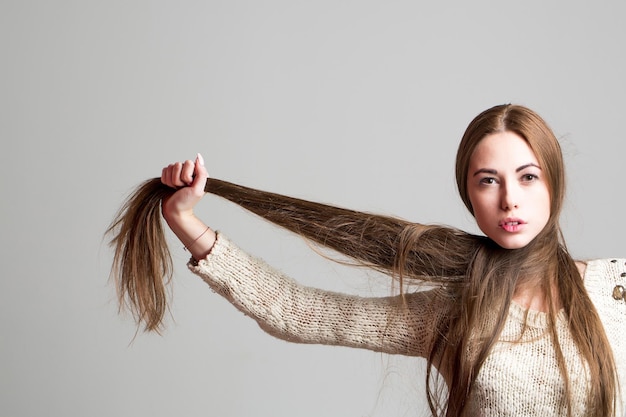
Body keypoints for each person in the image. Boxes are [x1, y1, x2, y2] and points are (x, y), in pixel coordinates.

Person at [110, 104, 625, 416]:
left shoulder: (616, 287)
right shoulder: (452, 314)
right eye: (488, 180)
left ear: (554, 183)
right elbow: (295, 310)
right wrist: (185, 222)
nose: (509, 198)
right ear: (470, 196)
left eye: (528, 176)